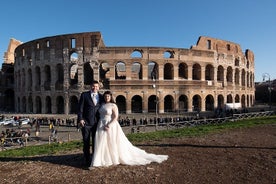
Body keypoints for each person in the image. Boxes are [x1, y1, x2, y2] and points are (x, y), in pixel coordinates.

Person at [89, 91, 168, 169]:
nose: (107, 98)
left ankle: (113, 158)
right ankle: (102, 158)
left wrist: (109, 125)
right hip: (101, 123)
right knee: (101, 141)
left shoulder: (113, 105)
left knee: (111, 141)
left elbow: (116, 117)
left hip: (110, 124)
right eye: (105, 96)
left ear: (110, 97)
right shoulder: (102, 105)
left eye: (108, 96)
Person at [77, 80, 104, 167]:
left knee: (96, 142)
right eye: (93, 86)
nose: (95, 88)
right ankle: (87, 160)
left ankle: (94, 159)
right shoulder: (84, 95)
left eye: (96, 86)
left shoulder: (101, 96)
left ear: (99, 87)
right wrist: (80, 119)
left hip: (97, 123)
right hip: (86, 123)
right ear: (90, 86)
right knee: (86, 142)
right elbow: (80, 108)